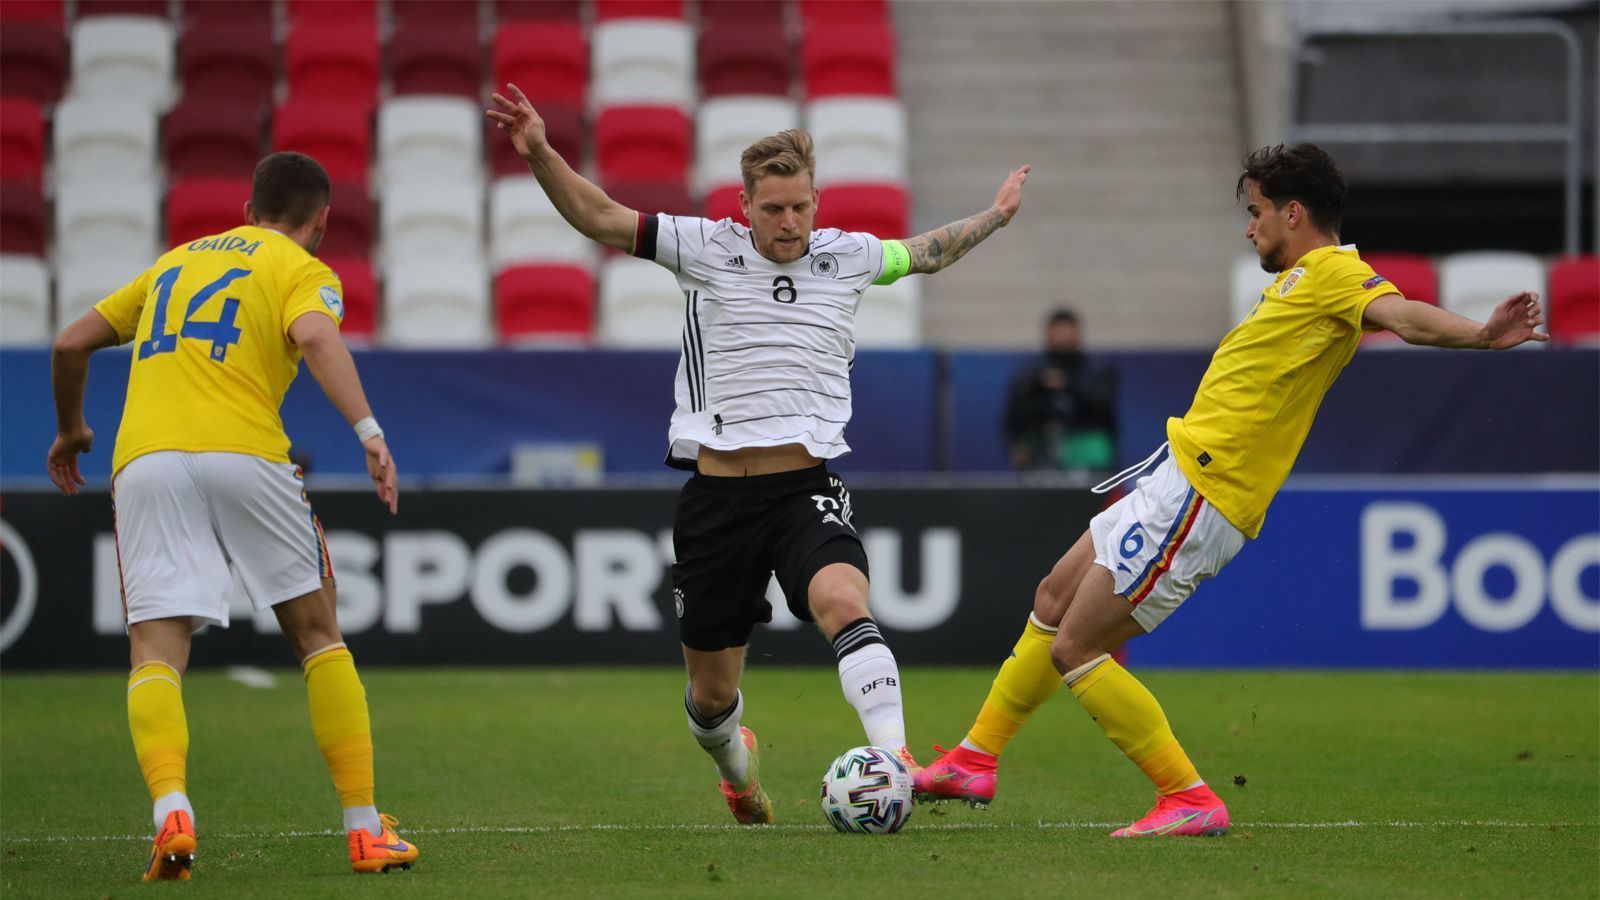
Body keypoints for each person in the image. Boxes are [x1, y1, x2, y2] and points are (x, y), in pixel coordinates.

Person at [914, 143, 1546, 836]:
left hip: (1205, 494)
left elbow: (1403, 316)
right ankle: (976, 757)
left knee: (1077, 648)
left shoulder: (1338, 274)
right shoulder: (1301, 280)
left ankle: (1187, 797)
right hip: (1176, 475)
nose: (1250, 229)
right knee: (1053, 597)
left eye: (1257, 213)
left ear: (1293, 212)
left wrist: (1483, 335)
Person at [487, 83, 1028, 824]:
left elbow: (929, 253)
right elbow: (599, 215)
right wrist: (542, 152)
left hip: (803, 487)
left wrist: (995, 217)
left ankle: (896, 761)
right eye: (773, 208)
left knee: (844, 599)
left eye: (801, 206)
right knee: (711, 700)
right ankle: (738, 774)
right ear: (745, 206)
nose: (789, 222)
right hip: (715, 501)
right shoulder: (704, 247)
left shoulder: (850, 258)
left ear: (816, 200)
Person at [46, 152, 419, 878]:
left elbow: (70, 342)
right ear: (320, 222)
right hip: (246, 451)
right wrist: (370, 434)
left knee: (155, 650)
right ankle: (365, 829)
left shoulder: (171, 264)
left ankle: (171, 813)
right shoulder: (300, 267)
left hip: (145, 460)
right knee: (317, 635)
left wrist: (71, 428)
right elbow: (315, 337)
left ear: (248, 209)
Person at [1004, 308, 1117, 472]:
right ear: (1048, 333)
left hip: (1087, 451)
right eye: (1058, 329)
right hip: (1041, 451)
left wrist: (1068, 385)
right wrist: (1015, 443)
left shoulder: (1098, 371)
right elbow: (1015, 415)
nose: (1063, 335)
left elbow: (1104, 408)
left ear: (1077, 333)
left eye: (1067, 329)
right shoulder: (1029, 375)